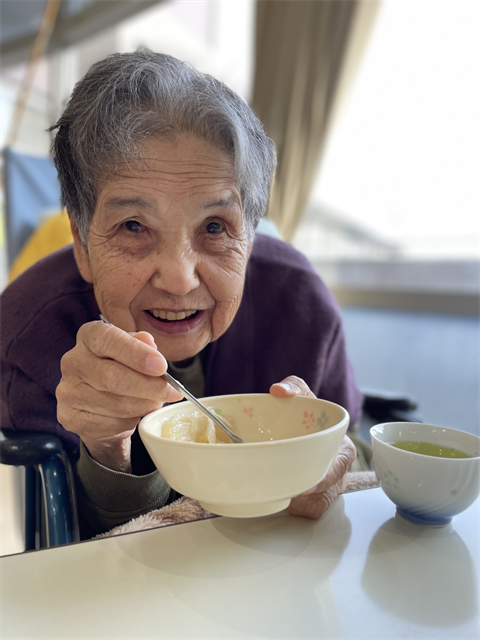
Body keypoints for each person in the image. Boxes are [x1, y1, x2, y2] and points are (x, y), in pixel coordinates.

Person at [0, 51, 363, 539]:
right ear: (83, 244)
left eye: (214, 226)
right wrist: (107, 450)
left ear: (251, 238)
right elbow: (66, 553)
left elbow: (353, 453)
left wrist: (329, 459)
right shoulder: (28, 338)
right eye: (133, 226)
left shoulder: (300, 307)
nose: (178, 278)